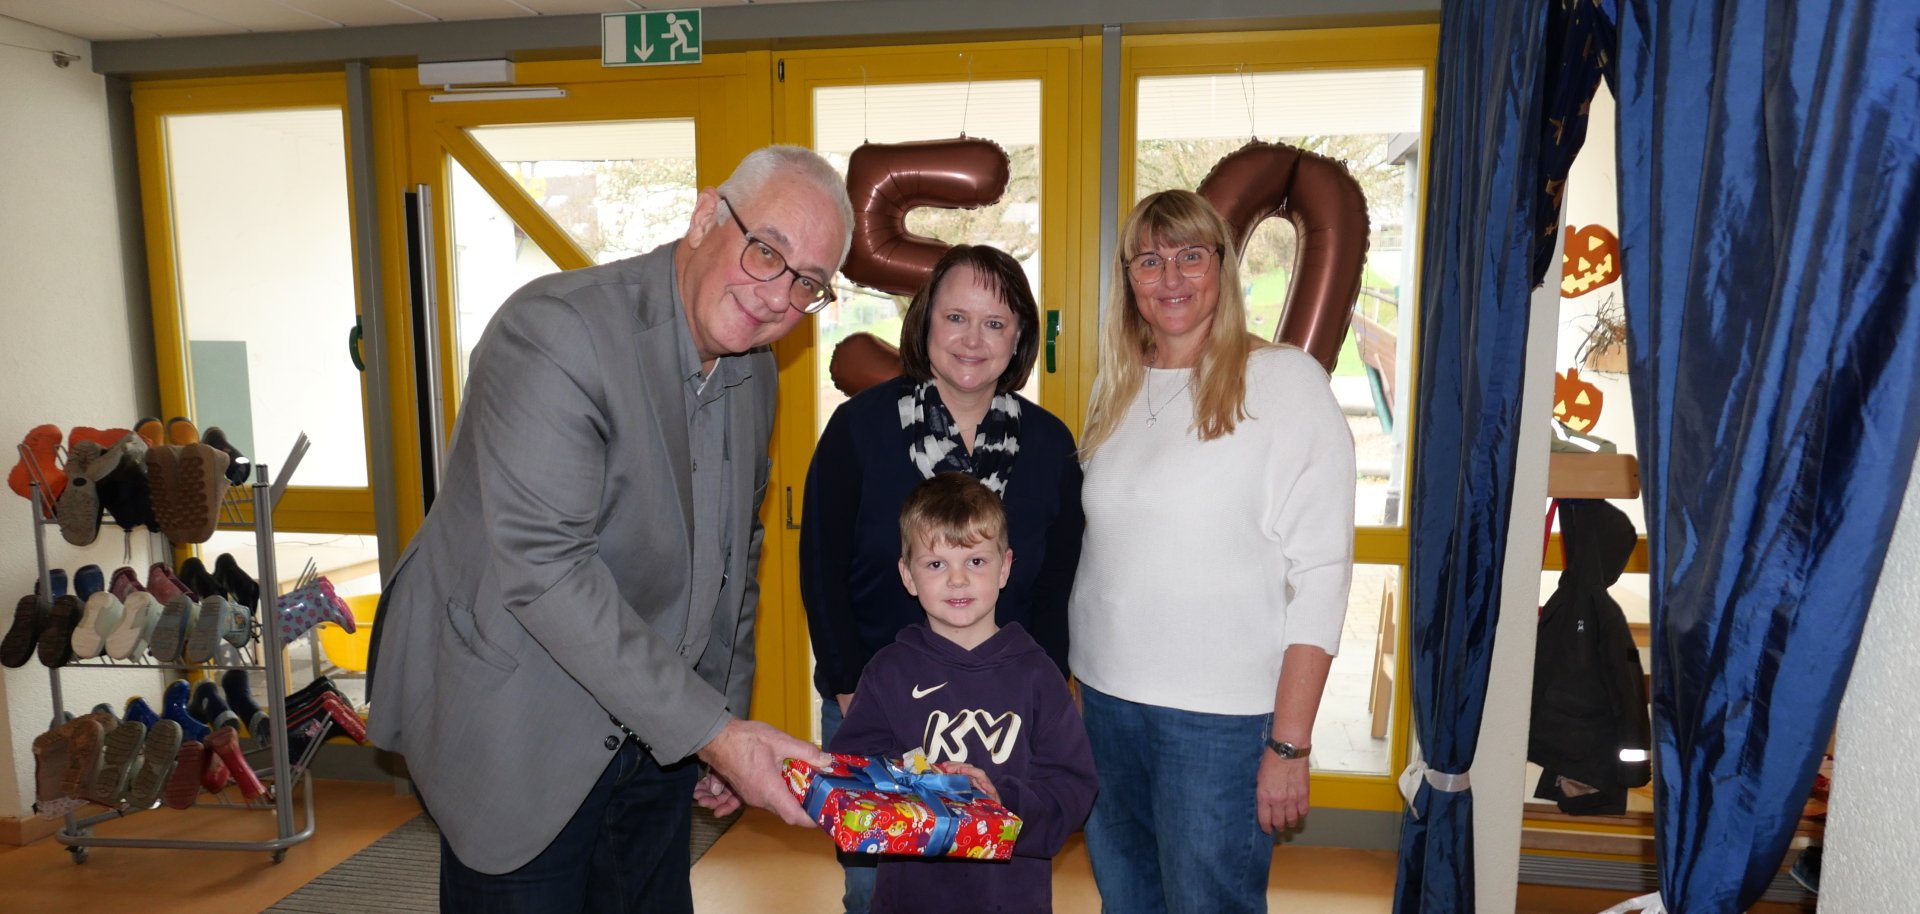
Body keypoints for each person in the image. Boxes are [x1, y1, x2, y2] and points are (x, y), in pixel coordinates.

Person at [365, 145, 853, 913]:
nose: (776, 298)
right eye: (767, 252)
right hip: (522, 727)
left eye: (808, 284)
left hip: (653, 738)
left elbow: (735, 558)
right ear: (704, 217)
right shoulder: (557, 333)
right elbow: (549, 572)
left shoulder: (754, 371)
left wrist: (716, 723)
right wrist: (717, 734)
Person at [1069, 190, 1356, 913]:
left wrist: (1289, 745)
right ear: (1128, 277)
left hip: (1219, 725)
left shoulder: (1287, 384)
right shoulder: (1117, 385)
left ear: (1223, 269)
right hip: (1104, 705)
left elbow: (1320, 575)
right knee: (1127, 900)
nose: (1171, 277)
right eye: (1150, 259)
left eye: (1191, 255)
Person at [800, 244, 1085, 913]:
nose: (973, 339)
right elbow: (820, 564)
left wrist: (1044, 696)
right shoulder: (858, 428)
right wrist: (846, 685)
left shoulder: (1048, 445)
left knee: (995, 885)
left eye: (994, 322)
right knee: (880, 891)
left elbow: (1057, 587)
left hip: (1001, 719)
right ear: (926, 323)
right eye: (956, 317)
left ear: (1018, 337)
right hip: (877, 704)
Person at [828, 472, 1098, 914]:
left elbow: (1073, 789)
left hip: (1011, 900)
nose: (957, 580)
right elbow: (851, 780)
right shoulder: (887, 673)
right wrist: (918, 784)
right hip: (910, 900)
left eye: (975, 561)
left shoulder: (1038, 676)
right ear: (907, 576)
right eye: (936, 564)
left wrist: (999, 801)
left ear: (1006, 567)